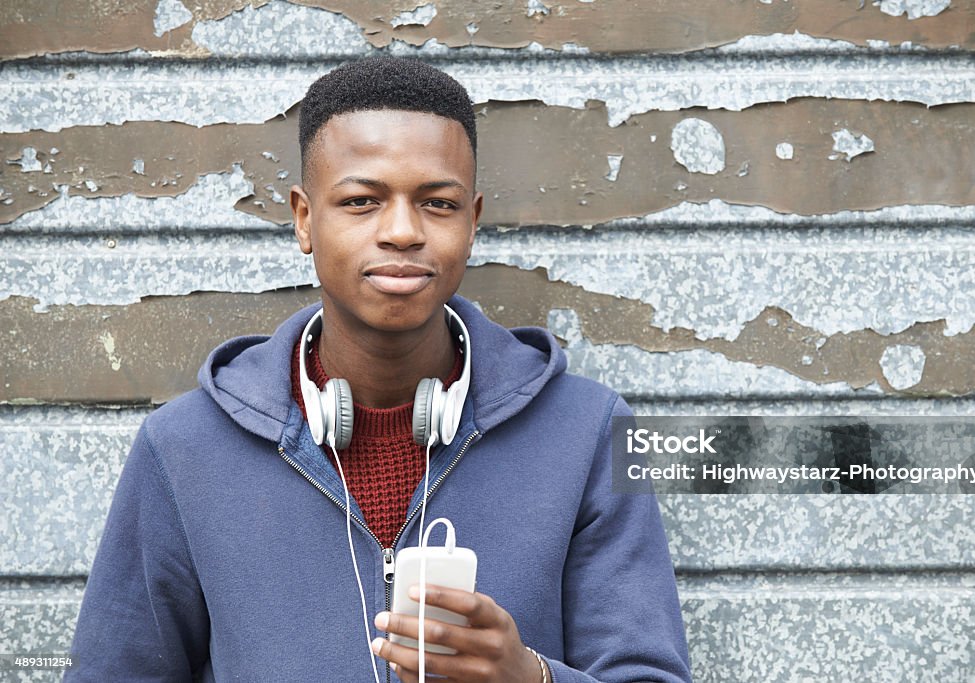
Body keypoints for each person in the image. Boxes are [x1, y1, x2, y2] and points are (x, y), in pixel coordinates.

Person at [66, 56, 691, 682]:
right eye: (362, 201)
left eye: (437, 203)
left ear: (473, 221)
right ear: (305, 219)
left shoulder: (590, 432)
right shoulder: (183, 449)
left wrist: (533, 679)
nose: (401, 231)